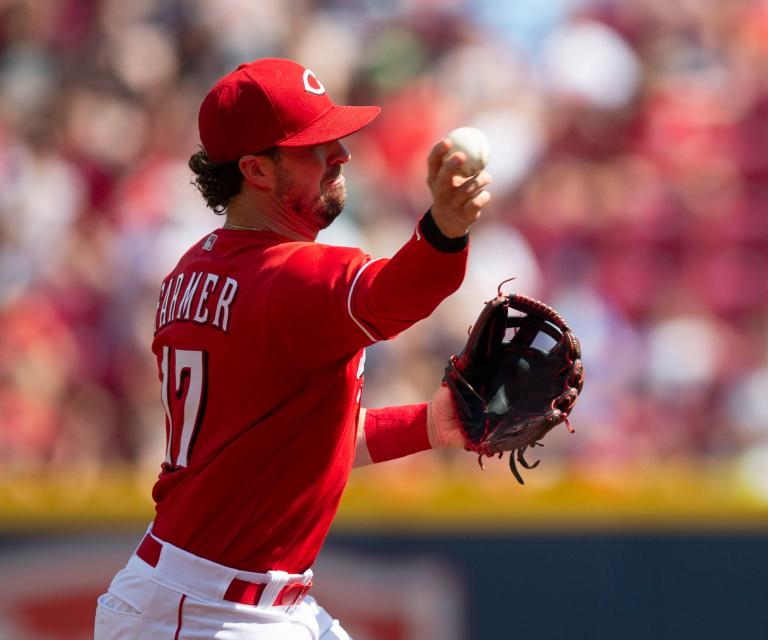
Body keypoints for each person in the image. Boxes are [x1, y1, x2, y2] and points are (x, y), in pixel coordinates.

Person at [94, 57, 492, 640]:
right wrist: (443, 230)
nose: (341, 154)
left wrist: (431, 425)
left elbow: (293, 441)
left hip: (216, 595)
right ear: (256, 168)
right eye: (314, 145)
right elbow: (400, 294)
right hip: (208, 613)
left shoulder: (193, 268)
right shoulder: (290, 276)